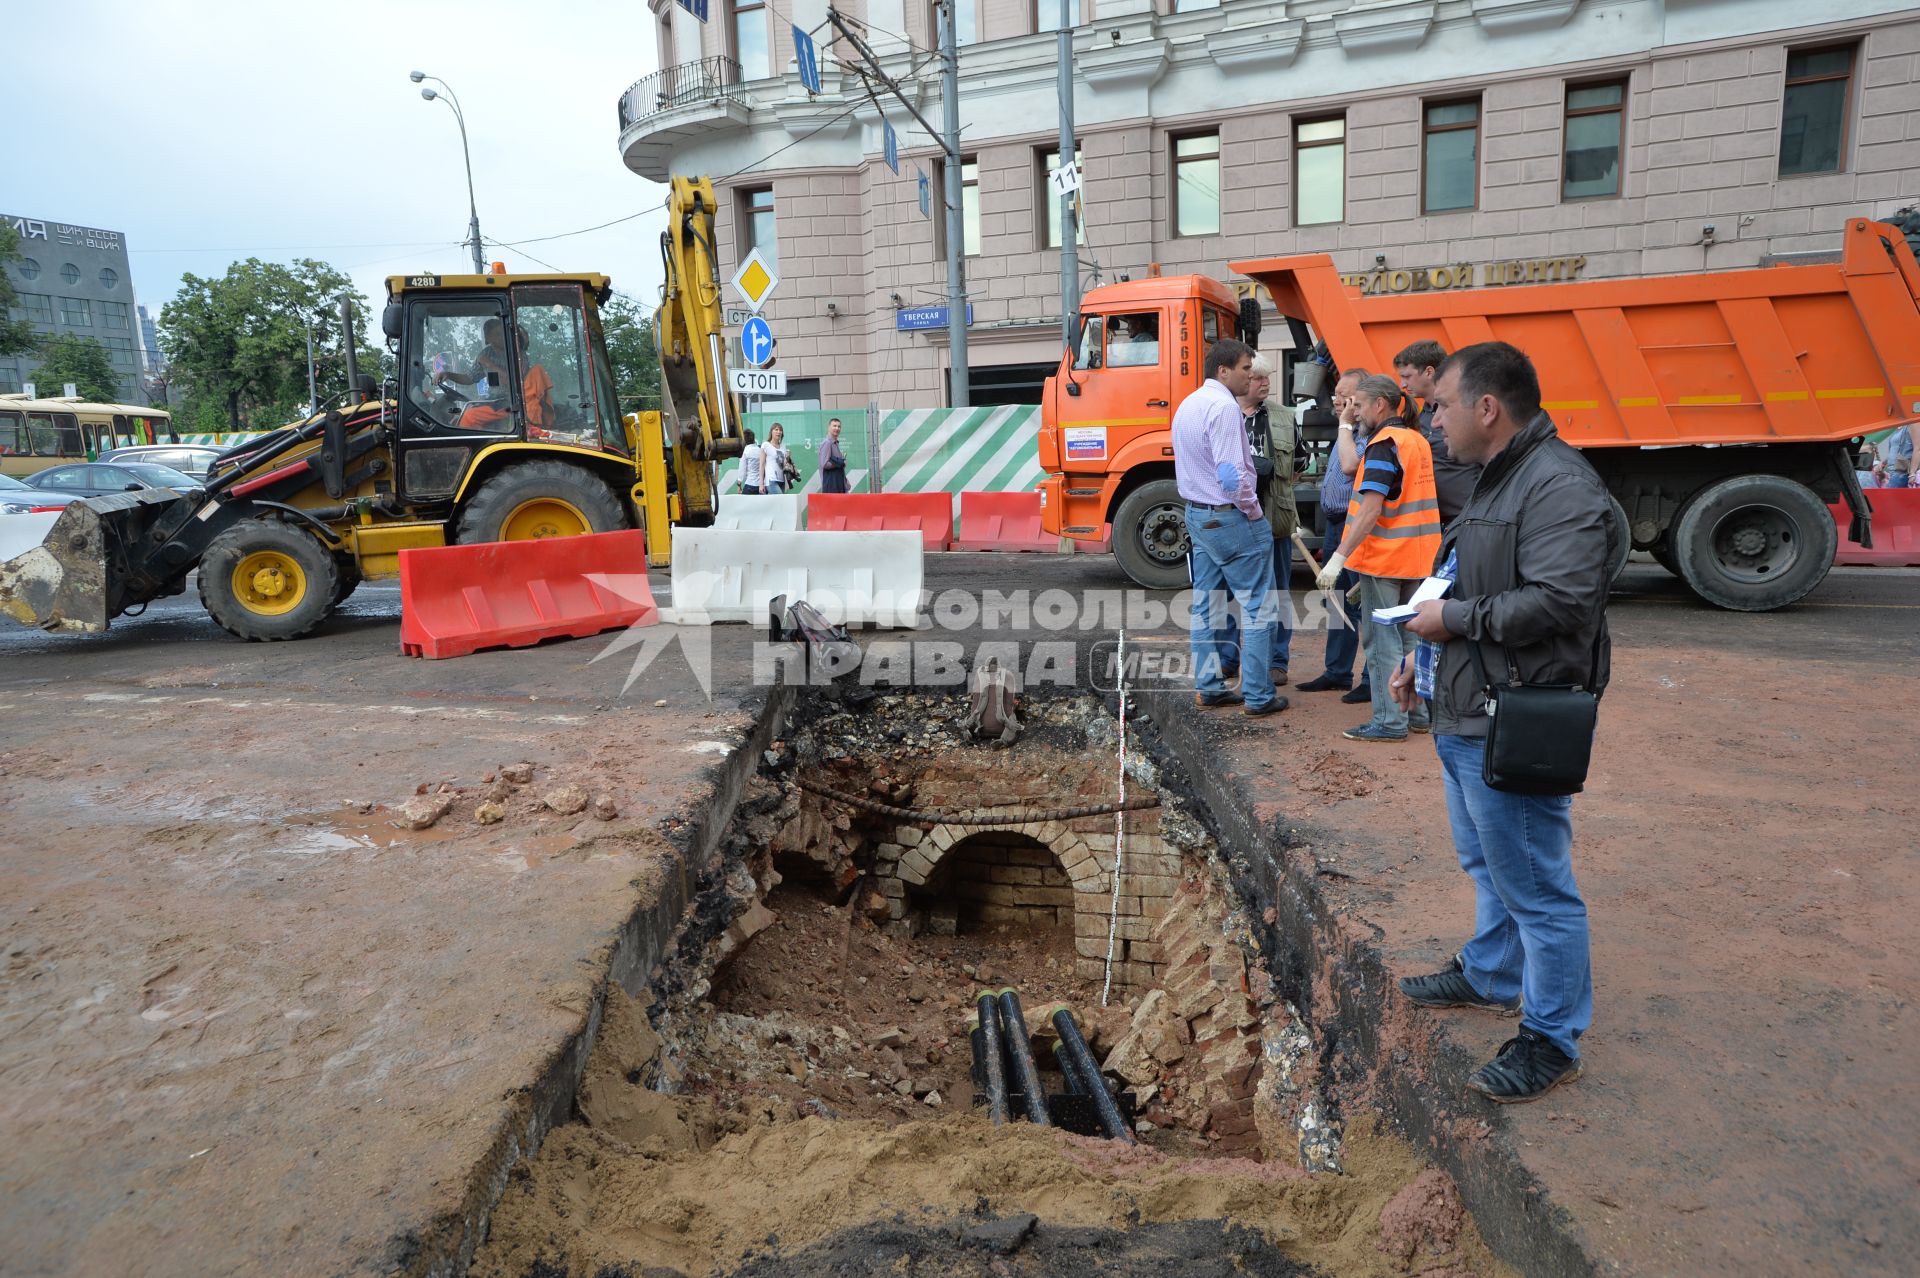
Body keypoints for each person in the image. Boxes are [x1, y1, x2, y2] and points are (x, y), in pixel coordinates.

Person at [1389, 340, 1613, 1105]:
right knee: (1490, 866)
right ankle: (1490, 974)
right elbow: (1457, 578)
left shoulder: (1558, 487)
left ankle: (1551, 1038)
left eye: (1440, 404)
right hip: (1465, 707)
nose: (1432, 418)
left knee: (1540, 891)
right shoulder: (1498, 477)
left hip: (1510, 718)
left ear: (1487, 408)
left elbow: (1562, 603)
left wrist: (1451, 621)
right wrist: (1417, 658)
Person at [1315, 373, 1439, 742]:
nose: (1356, 412)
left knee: (1381, 643)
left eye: (1359, 405)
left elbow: (1370, 510)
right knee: (1410, 639)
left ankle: (1389, 721)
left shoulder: (1384, 445)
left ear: (1379, 405)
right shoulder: (1415, 440)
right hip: (1417, 558)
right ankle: (1416, 713)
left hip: (1384, 559)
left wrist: (1338, 557)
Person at [1173, 337, 1286, 718]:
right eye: (1244, 368)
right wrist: (1252, 510)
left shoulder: (1189, 404)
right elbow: (1229, 474)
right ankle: (1257, 695)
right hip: (1229, 515)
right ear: (1224, 371)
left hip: (1198, 514)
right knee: (1257, 606)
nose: (1250, 374)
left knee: (1205, 607)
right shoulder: (1223, 408)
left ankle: (1209, 687)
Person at [1297, 369, 1369, 695]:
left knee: (1365, 603)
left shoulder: (1368, 434)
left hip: (1355, 527)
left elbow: (1353, 466)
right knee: (1337, 601)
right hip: (1335, 524)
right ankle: (1337, 671)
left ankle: (1372, 679)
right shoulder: (1349, 431)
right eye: (1337, 393)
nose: (1337, 400)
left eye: (1345, 395)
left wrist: (1346, 426)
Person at [1395, 339, 1481, 525]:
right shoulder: (1422, 415)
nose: (1402, 384)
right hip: (1434, 521)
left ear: (1429, 372)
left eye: (1407, 376)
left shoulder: (1465, 411)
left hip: (1466, 519)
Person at [763, 422, 797, 494]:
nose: (779, 432)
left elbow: (784, 464)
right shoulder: (766, 445)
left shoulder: (783, 446)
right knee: (782, 501)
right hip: (771, 480)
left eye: (780, 430)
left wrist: (788, 457)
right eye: (776, 429)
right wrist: (760, 484)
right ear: (771, 431)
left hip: (782, 480)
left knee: (778, 504)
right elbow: (761, 465)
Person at [819, 418, 850, 493]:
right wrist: (840, 463)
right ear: (829, 427)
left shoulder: (835, 443)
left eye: (839, 426)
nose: (837, 428)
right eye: (834, 426)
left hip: (838, 484)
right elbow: (824, 464)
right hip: (831, 485)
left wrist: (845, 481)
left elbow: (837, 464)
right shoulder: (827, 443)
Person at [738, 429, 764, 495]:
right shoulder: (760, 450)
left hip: (750, 484)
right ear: (754, 438)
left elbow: (742, 469)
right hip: (761, 485)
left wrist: (739, 483)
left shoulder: (745, 451)